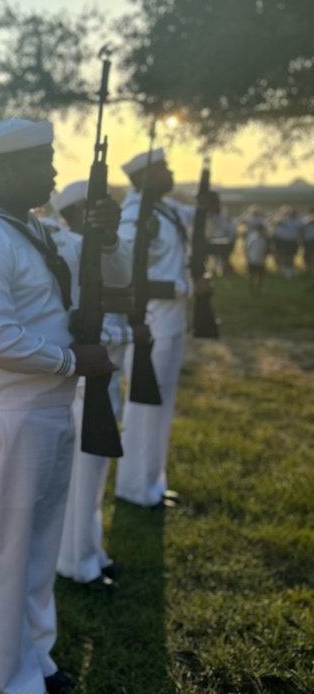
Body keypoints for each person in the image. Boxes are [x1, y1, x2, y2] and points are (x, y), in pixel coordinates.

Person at [0, 120, 127, 694]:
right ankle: (5, 672)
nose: (54, 171)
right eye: (41, 161)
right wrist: (76, 362)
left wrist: (110, 236)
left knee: (40, 540)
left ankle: (34, 655)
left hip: (45, 405)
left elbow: (118, 278)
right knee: (7, 545)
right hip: (7, 411)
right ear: (2, 171)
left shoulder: (39, 233)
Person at [113, 149, 214, 509]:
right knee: (144, 406)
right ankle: (134, 488)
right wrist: (186, 288)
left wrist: (207, 206)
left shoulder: (165, 209)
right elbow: (127, 275)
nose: (171, 173)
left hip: (171, 322)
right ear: (143, 177)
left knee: (163, 404)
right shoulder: (135, 215)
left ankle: (153, 483)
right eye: (164, 169)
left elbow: (201, 219)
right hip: (151, 322)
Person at [48, 181, 134, 592]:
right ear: (78, 214)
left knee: (95, 468)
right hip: (86, 370)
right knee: (84, 470)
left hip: (104, 365)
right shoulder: (67, 248)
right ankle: (76, 561)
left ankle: (89, 550)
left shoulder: (100, 249)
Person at [242, 206, 270, 295]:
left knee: (260, 276)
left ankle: (258, 289)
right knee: (252, 275)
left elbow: (266, 249)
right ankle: (251, 289)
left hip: (260, 260)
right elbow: (247, 247)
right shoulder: (252, 238)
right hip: (253, 259)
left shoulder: (264, 239)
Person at [271, 205, 303, 278]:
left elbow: (301, 227)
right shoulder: (281, 219)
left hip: (293, 241)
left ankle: (290, 269)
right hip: (282, 241)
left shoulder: (297, 220)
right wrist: (282, 217)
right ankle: (283, 269)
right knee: (283, 255)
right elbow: (275, 221)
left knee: (291, 255)